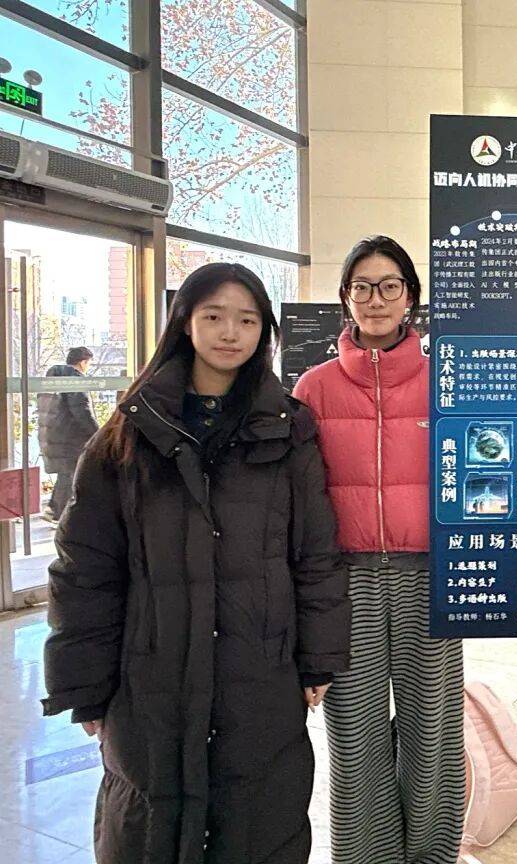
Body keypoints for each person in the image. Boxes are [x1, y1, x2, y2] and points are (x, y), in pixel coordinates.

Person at [41, 263, 350, 864]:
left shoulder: (288, 431)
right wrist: (82, 681)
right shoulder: (128, 433)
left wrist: (319, 656)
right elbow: (85, 570)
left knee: (259, 823)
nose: (230, 332)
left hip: (259, 672)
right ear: (184, 323)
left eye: (247, 320)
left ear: (265, 332)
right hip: (150, 674)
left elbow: (315, 554)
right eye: (214, 316)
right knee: (149, 826)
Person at [293, 236, 464, 864]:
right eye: (361, 286)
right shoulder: (313, 389)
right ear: (346, 297)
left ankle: (432, 855)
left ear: (410, 296)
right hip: (346, 581)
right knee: (354, 735)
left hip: (431, 576)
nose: (376, 298)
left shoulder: (448, 379)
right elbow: (299, 500)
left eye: (390, 285)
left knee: (432, 731)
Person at [38, 346, 98, 521]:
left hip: (54, 434)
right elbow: (82, 411)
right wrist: (98, 433)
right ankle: (58, 513)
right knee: (71, 472)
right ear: (83, 362)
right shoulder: (75, 380)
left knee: (67, 472)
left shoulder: (53, 379)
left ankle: (54, 510)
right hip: (71, 436)